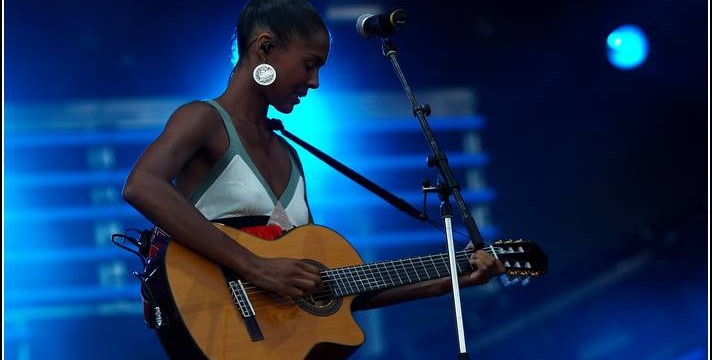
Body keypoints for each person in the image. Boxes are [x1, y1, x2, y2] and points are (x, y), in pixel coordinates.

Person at [122, 0, 504, 355]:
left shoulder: (290, 154)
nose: (315, 81)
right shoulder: (203, 119)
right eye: (309, 64)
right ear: (265, 48)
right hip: (219, 330)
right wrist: (255, 266)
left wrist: (449, 279)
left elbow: (328, 288)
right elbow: (142, 185)